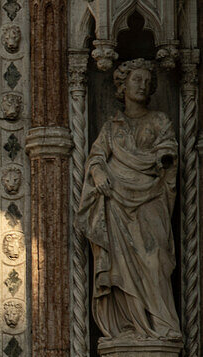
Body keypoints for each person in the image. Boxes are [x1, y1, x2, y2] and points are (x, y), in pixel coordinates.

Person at [77, 58, 181, 342]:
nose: (142, 85)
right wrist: (98, 174)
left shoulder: (159, 120)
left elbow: (168, 148)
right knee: (120, 265)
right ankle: (129, 327)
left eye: (147, 81)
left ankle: (163, 326)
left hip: (151, 202)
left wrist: (163, 158)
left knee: (156, 259)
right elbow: (96, 158)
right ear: (122, 86)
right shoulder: (112, 129)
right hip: (117, 205)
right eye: (136, 79)